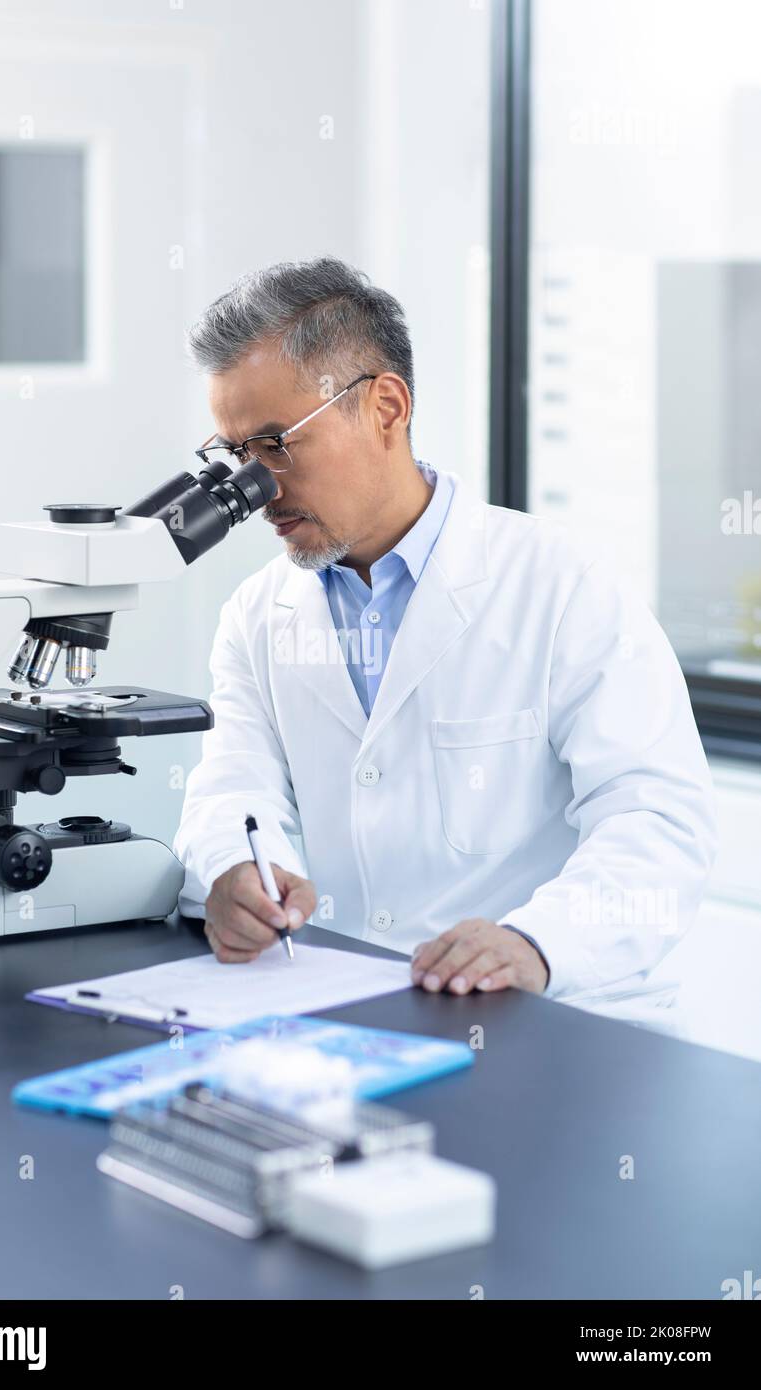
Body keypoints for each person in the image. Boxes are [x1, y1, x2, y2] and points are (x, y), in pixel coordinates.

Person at [174, 256, 717, 1027]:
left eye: (275, 444)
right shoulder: (257, 615)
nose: (255, 489)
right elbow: (234, 790)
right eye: (235, 456)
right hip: (338, 1003)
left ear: (386, 407)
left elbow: (659, 819)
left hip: (548, 1018)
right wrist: (236, 869)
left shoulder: (562, 586)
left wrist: (536, 942)